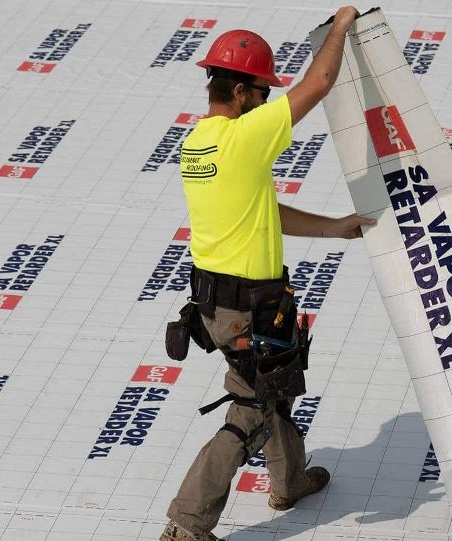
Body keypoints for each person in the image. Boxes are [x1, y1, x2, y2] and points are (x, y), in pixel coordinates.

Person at [161, 7, 370, 541]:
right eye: (263, 92)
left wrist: (336, 228)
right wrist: (342, 24)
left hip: (216, 302)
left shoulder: (197, 145)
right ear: (240, 92)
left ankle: (290, 481)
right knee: (250, 408)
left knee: (274, 387)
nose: (269, 101)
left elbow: (265, 214)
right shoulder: (244, 137)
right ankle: (186, 525)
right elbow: (320, 81)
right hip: (248, 306)